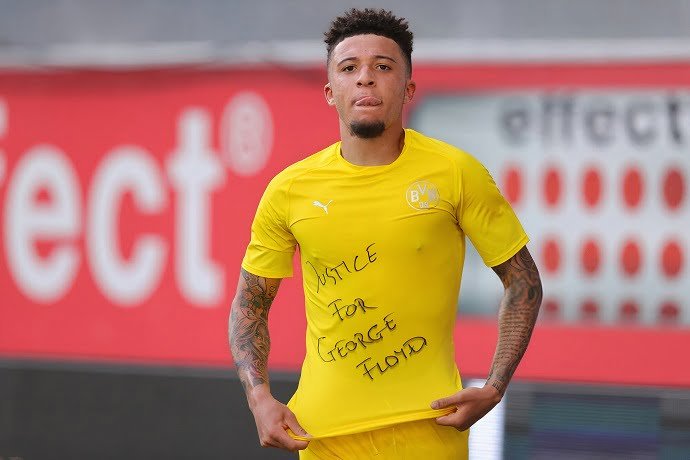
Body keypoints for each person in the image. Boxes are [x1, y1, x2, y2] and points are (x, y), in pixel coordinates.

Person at [229, 8, 542, 459]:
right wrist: (258, 398)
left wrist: (495, 387)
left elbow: (524, 281)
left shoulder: (456, 173)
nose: (365, 79)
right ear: (329, 91)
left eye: (383, 66)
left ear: (408, 88)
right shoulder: (289, 190)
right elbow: (249, 305)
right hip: (323, 436)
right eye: (349, 68)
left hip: (430, 429)